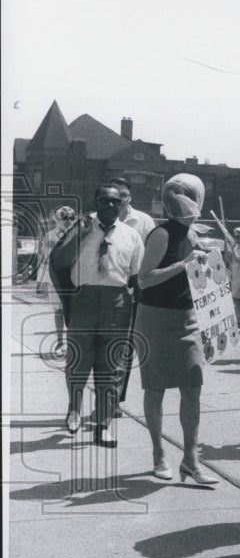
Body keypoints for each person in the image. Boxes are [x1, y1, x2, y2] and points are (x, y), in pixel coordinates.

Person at [135, 174, 218, 483]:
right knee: (155, 388)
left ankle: (191, 460)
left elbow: (203, 278)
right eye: (177, 194)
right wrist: (183, 263)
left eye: (187, 194)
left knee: (192, 386)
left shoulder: (194, 234)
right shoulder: (162, 234)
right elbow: (145, 278)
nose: (181, 199)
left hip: (187, 316)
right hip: (156, 317)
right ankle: (159, 453)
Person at [48, 186, 144, 445]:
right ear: (96, 201)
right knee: (79, 360)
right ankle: (74, 411)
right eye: (105, 200)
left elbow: (135, 276)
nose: (111, 205)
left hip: (117, 301)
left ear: (123, 203)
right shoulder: (81, 226)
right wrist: (81, 233)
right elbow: (59, 261)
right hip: (85, 299)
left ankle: (103, 424)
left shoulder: (131, 235)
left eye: (116, 201)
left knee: (111, 365)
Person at [108, 177, 156, 399]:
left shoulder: (144, 221)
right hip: (107, 289)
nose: (120, 200)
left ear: (130, 197)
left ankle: (116, 398)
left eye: (124, 195)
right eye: (115, 195)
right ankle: (106, 394)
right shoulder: (97, 219)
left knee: (124, 346)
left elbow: (153, 256)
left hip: (135, 288)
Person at [37, 205, 77, 353]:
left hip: (74, 279)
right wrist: (40, 281)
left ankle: (73, 342)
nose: (68, 221)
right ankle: (60, 342)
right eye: (64, 218)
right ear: (56, 219)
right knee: (58, 311)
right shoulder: (50, 236)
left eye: (71, 218)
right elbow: (45, 259)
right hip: (55, 279)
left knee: (73, 312)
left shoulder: (78, 234)